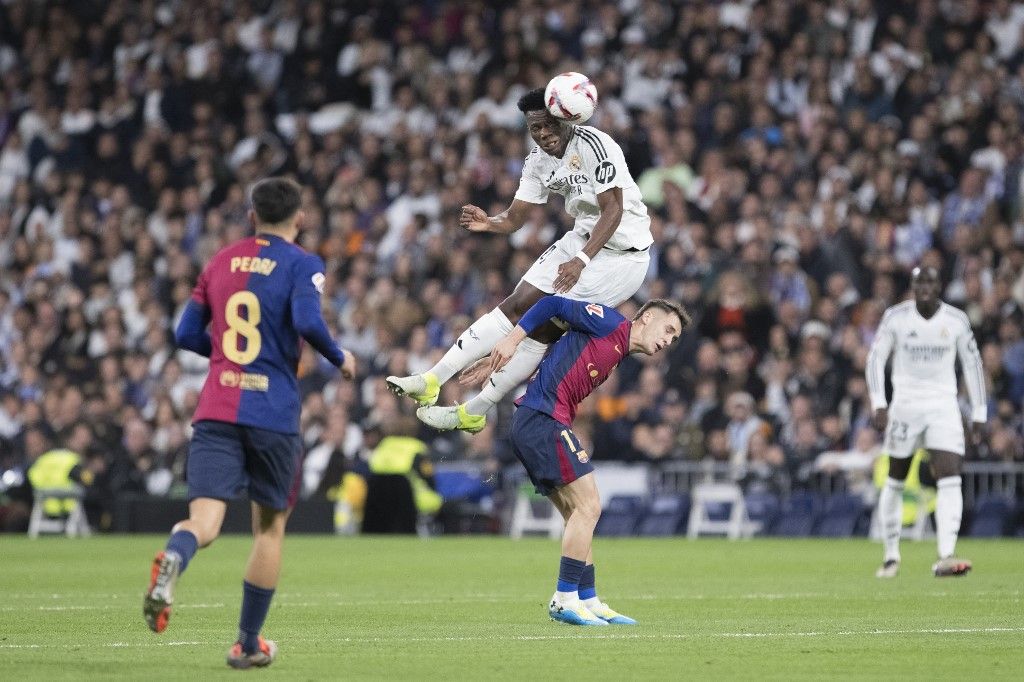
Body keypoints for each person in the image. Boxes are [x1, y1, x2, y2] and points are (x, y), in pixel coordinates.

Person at [142, 177, 356, 668]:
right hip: (272, 413)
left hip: (217, 407)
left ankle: (176, 556)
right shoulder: (303, 263)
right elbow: (305, 322)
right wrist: (339, 357)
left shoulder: (219, 261)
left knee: (205, 521)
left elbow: (184, 333)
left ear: (250, 215)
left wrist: (221, 354)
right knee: (268, 530)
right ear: (299, 218)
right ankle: (248, 642)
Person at [386, 86, 652, 432]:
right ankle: (432, 379)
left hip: (622, 258)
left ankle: (474, 410)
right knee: (515, 304)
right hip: (582, 240)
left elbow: (613, 210)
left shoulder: (595, 146)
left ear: (564, 118)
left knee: (542, 324)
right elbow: (515, 218)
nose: (542, 135)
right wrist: (490, 223)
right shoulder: (537, 161)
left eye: (547, 125)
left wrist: (581, 262)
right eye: (534, 129)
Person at [487, 294, 689, 625]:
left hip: (539, 421)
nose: (668, 341)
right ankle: (564, 598)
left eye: (674, 338)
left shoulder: (618, 351)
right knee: (590, 506)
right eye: (668, 329)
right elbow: (553, 304)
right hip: (541, 418)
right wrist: (512, 340)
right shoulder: (610, 323)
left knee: (577, 512)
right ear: (647, 318)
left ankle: (587, 598)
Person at [866, 265, 985, 579]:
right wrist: (879, 402)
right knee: (895, 478)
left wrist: (979, 411)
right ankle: (891, 554)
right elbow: (875, 358)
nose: (925, 288)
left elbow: (973, 365)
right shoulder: (896, 317)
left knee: (950, 477)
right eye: (919, 282)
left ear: (940, 285)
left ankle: (946, 554)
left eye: (930, 281)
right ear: (912, 285)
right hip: (905, 405)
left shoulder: (956, 321)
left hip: (943, 406)